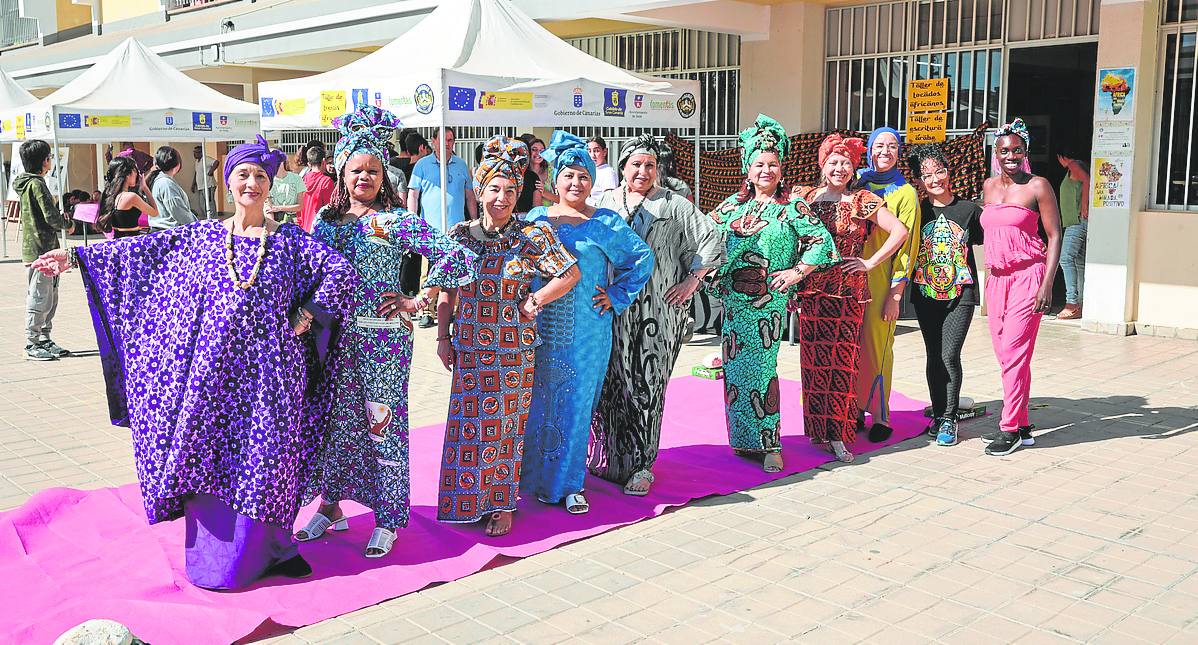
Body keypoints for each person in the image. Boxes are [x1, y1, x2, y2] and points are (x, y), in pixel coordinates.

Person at [30, 135, 358, 590]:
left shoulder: (291, 242)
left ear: (270, 183)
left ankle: (274, 549)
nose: (252, 183)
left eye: (261, 175)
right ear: (228, 182)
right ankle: (221, 556)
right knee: (211, 459)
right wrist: (74, 256)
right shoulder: (204, 237)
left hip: (272, 379)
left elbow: (342, 273)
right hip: (212, 379)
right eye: (243, 174)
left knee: (268, 463)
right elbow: (138, 254)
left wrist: (308, 314)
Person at [299, 106, 478, 557]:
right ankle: (332, 507)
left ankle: (390, 518)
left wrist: (416, 300)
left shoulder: (394, 221)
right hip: (332, 343)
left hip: (383, 341)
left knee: (384, 426)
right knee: (333, 426)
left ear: (385, 174)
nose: (365, 177)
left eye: (374, 170)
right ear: (341, 172)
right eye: (356, 169)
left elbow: (456, 257)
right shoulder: (325, 223)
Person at [435, 135, 580, 537]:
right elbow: (446, 290)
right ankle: (463, 498)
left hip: (514, 351)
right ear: (480, 190)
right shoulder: (459, 237)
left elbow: (569, 274)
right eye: (494, 188)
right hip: (468, 348)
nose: (502, 197)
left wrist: (536, 298)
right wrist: (443, 338)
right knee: (466, 424)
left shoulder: (530, 235)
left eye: (511, 190)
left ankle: (501, 502)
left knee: (505, 427)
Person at [522, 131, 654, 514]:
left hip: (588, 333)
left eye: (583, 176)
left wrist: (615, 295)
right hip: (540, 328)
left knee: (578, 405)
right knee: (539, 403)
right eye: (568, 175)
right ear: (555, 180)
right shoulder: (536, 219)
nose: (575, 183)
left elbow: (641, 259)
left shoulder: (604, 223)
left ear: (592, 182)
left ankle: (571, 484)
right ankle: (532, 480)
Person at [590, 134, 725, 496]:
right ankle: (606, 459)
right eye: (636, 164)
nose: (643, 171)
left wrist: (692, 281)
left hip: (656, 312)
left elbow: (712, 238)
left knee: (647, 385)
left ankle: (641, 465)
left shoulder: (674, 204)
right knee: (610, 383)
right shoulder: (603, 203)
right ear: (622, 167)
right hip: (610, 310)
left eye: (650, 165)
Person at [709, 115, 839, 472]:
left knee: (763, 369)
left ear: (782, 169)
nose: (766, 170)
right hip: (734, 304)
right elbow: (703, 240)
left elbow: (820, 241)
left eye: (773, 164)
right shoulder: (729, 207)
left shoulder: (792, 206)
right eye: (759, 164)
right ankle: (742, 440)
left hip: (768, 303)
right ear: (747, 169)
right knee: (735, 371)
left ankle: (769, 444)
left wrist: (797, 271)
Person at [790, 134, 908, 463]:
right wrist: (792, 281)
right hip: (811, 292)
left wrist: (870, 262)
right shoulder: (805, 197)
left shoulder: (861, 200)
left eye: (845, 162)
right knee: (813, 365)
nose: (839, 168)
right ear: (821, 165)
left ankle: (841, 435)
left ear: (854, 167)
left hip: (848, 295)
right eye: (833, 162)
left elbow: (900, 231)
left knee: (843, 364)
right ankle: (819, 429)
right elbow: (791, 238)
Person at [979, 118, 1062, 456]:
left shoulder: (1038, 186)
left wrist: (1047, 284)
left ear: (1025, 151)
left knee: (1014, 353)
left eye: (1017, 150)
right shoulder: (987, 187)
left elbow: (1055, 234)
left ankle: (1009, 427)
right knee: (1008, 356)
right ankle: (1024, 423)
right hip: (997, 280)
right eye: (1004, 151)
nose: (1010, 155)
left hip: (1028, 276)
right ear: (996, 154)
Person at [906, 144, 984, 447]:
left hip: (960, 294)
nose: (935, 178)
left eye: (940, 171)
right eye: (927, 174)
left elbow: (993, 237)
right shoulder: (917, 211)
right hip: (925, 293)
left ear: (949, 172)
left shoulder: (969, 210)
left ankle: (950, 418)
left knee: (949, 355)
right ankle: (939, 415)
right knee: (933, 356)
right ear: (919, 180)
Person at [853, 127, 922, 443]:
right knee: (851, 346)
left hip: (880, 281)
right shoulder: (858, 185)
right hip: (849, 279)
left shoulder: (905, 193)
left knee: (878, 347)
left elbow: (907, 247)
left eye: (892, 146)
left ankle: (880, 416)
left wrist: (895, 294)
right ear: (869, 149)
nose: (885, 151)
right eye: (879, 145)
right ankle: (853, 409)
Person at [408, 127, 476, 328]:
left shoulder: (461, 165)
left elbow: (469, 196)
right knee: (428, 272)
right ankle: (425, 311)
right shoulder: (422, 165)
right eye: (443, 139)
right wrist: (413, 221)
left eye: (451, 140)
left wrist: (474, 223)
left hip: (457, 230)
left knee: (455, 271)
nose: (447, 143)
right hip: (430, 229)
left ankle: (452, 310)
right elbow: (413, 195)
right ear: (433, 141)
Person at [15, 139, 69, 361]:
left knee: (49, 296)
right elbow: (50, 217)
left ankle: (45, 338)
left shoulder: (28, 183)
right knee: (40, 297)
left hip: (43, 249)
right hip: (41, 250)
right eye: (49, 157)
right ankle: (32, 342)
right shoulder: (37, 184)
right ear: (44, 161)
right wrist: (68, 224)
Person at [1056, 153, 1089, 320]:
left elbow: (1087, 181)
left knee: (1065, 258)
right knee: (1078, 262)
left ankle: (1072, 303)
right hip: (1075, 221)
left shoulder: (1074, 165)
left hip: (1077, 221)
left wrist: (1084, 207)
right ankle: (1081, 304)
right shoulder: (1076, 166)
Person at [97, 156, 158, 239]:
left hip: (117, 240)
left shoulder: (110, 195)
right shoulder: (131, 197)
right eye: (136, 171)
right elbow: (154, 212)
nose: (137, 175)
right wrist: (145, 187)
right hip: (131, 242)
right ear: (128, 174)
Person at [146, 146, 197, 231]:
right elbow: (179, 212)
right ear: (177, 164)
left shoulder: (158, 180)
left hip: (161, 231)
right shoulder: (166, 184)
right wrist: (196, 225)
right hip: (168, 233)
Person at [298, 146, 334, 232]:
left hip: (304, 230)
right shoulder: (326, 181)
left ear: (309, 164)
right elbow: (330, 210)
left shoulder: (302, 180)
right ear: (324, 161)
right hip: (319, 231)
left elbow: (299, 210)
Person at [516, 138, 558, 212]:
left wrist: (544, 192)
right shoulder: (522, 173)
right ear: (528, 151)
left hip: (548, 214)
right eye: (534, 149)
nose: (538, 153)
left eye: (542, 150)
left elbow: (561, 199)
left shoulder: (551, 170)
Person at [267, 160, 306, 224]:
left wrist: (279, 208)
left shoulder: (296, 178)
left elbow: (300, 206)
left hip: (294, 222)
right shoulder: (267, 181)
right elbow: (268, 209)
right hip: (274, 221)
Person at [586, 136, 620, 205]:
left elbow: (609, 201)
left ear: (604, 152)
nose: (592, 155)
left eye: (596, 151)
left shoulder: (608, 173)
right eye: (589, 151)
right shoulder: (591, 170)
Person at [190, 146, 218, 219]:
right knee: (202, 204)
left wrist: (211, 171)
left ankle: (213, 219)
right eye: (194, 152)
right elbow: (196, 173)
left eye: (196, 152)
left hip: (208, 185)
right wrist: (193, 184)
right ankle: (207, 217)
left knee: (210, 203)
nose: (194, 154)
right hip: (201, 186)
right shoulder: (197, 161)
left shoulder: (206, 159)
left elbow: (216, 162)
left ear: (201, 153)